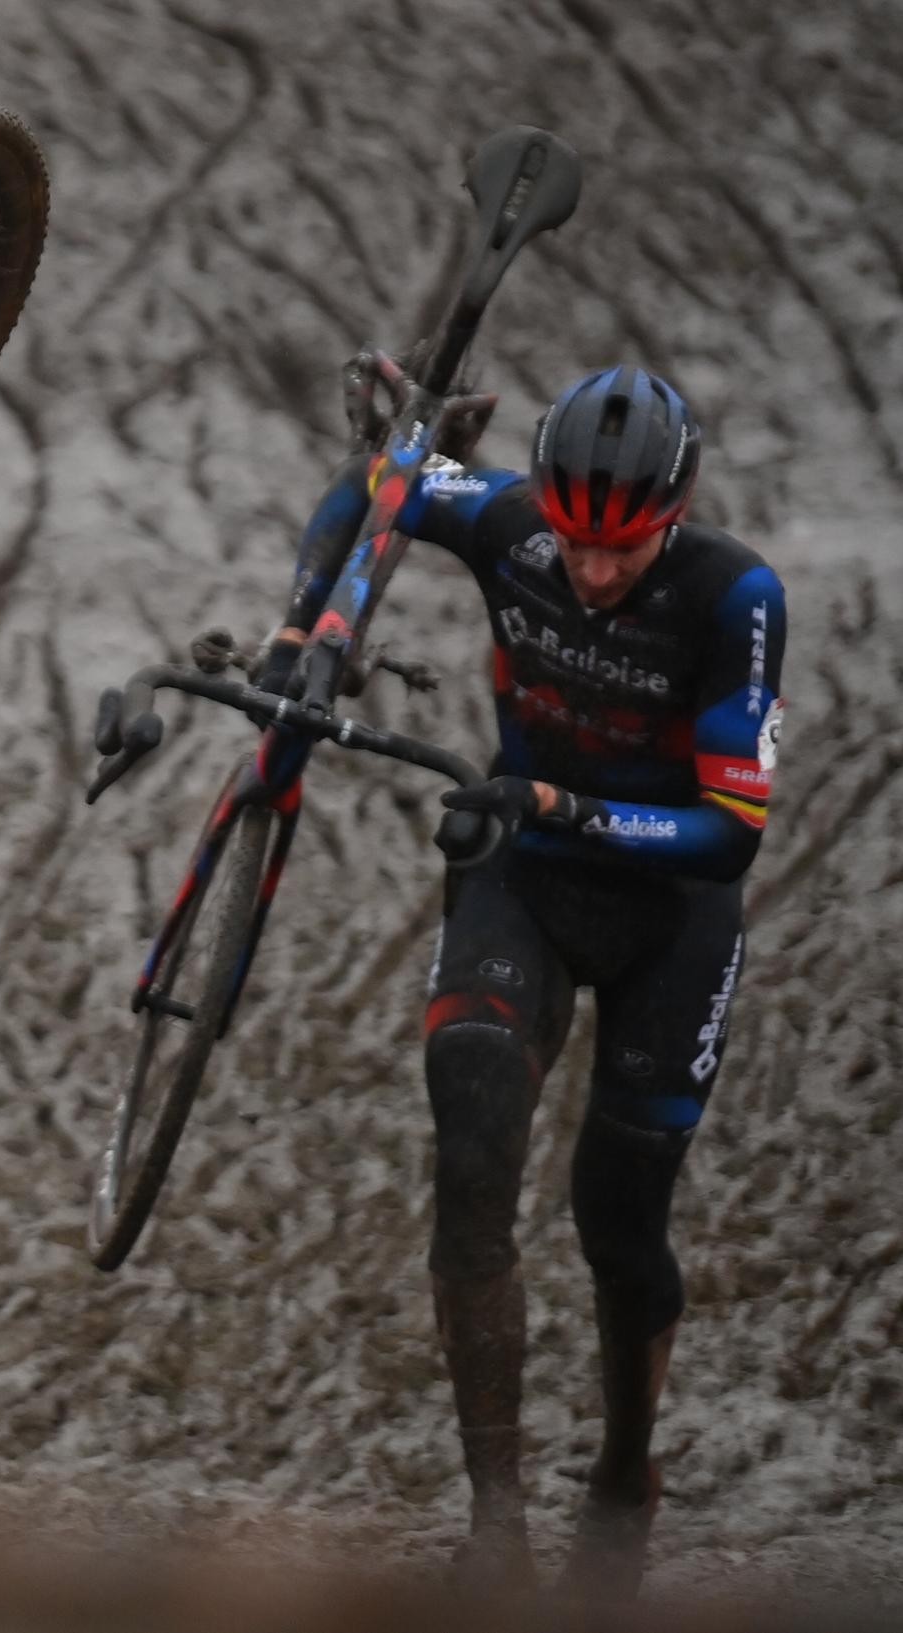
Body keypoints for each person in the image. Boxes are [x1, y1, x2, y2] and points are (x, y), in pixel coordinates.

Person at [273, 363, 785, 1592]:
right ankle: (494, 1524)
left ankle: (622, 1480)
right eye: (573, 544)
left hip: (670, 912)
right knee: (470, 1146)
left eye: (627, 550)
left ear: (678, 510)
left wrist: (560, 798)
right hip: (524, 877)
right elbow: (379, 486)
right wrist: (303, 631)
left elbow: (732, 832)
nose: (596, 573)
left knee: (618, 1221)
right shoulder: (508, 522)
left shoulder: (733, 596)